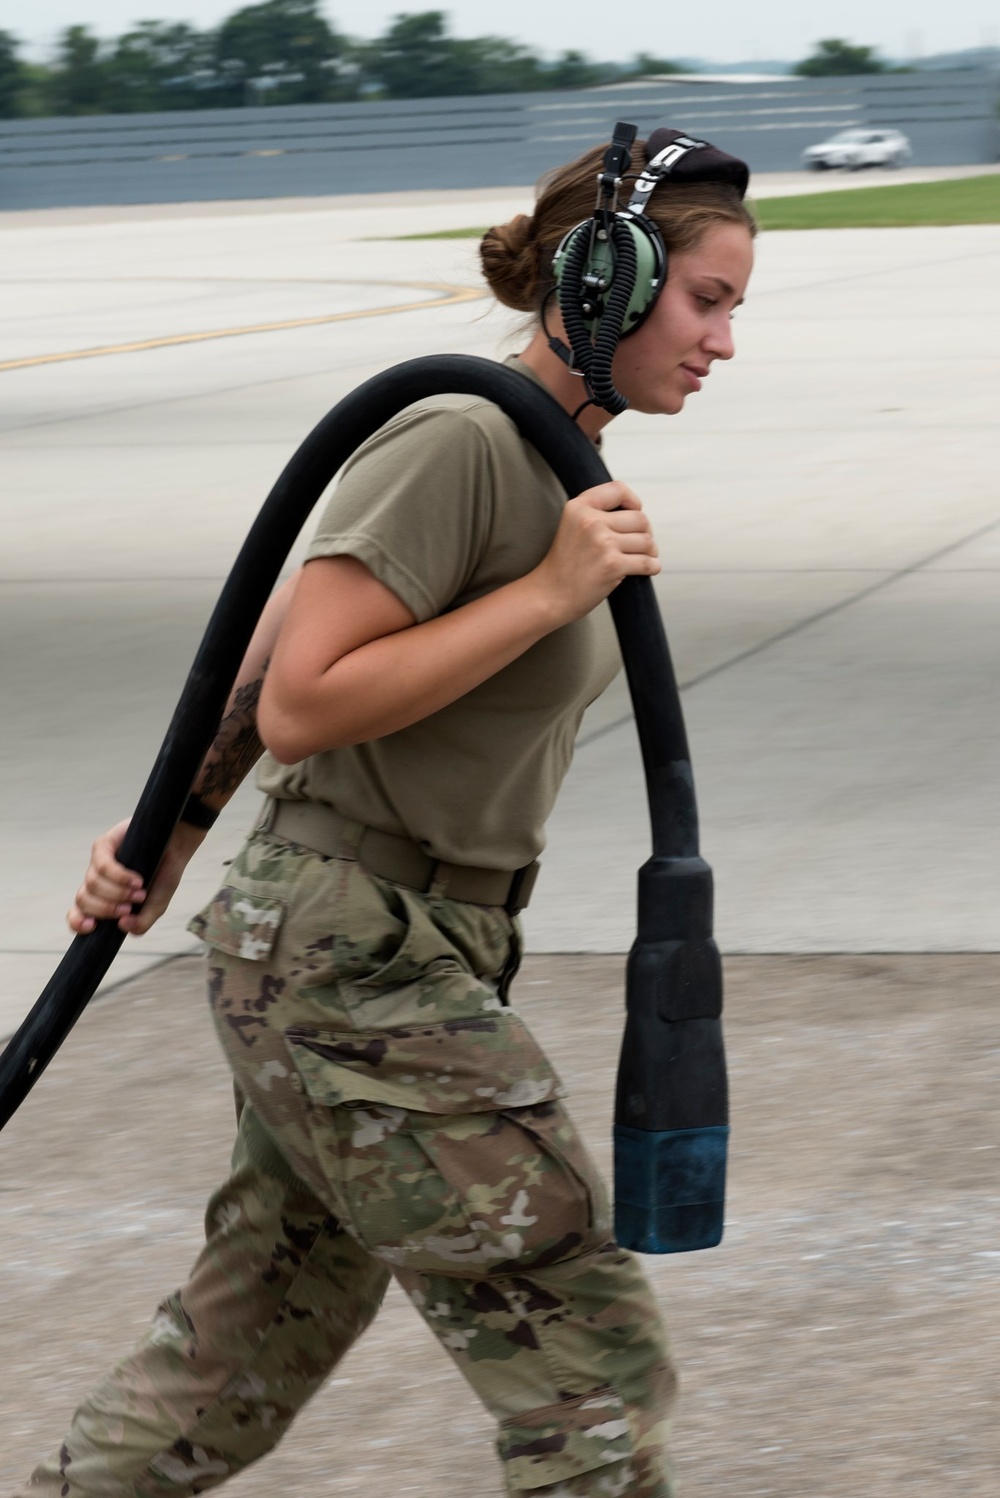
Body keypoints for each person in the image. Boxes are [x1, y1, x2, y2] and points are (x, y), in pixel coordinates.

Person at [19, 129, 755, 1498]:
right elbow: (302, 695)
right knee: (586, 1358)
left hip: (376, 946)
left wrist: (165, 848)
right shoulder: (464, 440)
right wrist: (546, 593)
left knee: (243, 1351)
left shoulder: (547, 468)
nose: (722, 342)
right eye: (706, 301)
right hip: (358, 955)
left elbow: (261, 664)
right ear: (607, 281)